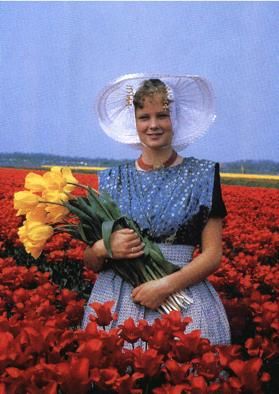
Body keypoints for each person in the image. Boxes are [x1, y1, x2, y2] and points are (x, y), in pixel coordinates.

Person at [82, 74, 231, 345]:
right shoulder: (112, 179)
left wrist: (165, 286)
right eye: (144, 117)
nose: (153, 125)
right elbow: (92, 262)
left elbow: (212, 254)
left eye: (162, 116)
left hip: (183, 298)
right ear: (134, 122)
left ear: (176, 118)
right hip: (117, 301)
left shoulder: (203, 175)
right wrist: (104, 248)